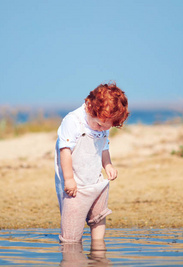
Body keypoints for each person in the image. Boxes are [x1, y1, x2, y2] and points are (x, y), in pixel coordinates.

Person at [54, 82, 129, 243]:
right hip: (74, 186)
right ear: (88, 106)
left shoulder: (103, 124)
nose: (101, 129)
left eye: (106, 127)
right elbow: (65, 151)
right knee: (71, 233)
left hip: (95, 181)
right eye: (99, 124)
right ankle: (72, 263)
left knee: (99, 218)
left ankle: (98, 251)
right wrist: (69, 179)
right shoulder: (73, 121)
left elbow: (104, 146)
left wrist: (107, 164)